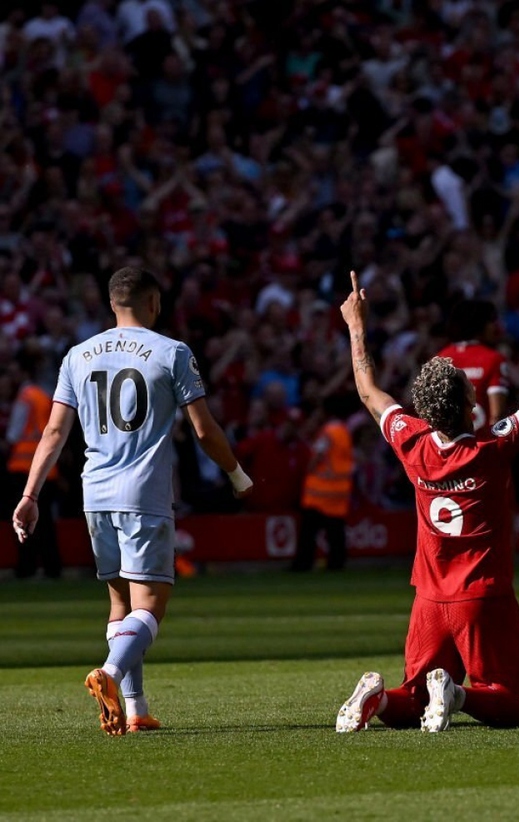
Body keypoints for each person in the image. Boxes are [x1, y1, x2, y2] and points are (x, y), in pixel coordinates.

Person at [335, 257, 519, 733]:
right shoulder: (492, 450)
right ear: (471, 404)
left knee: (411, 702)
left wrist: (355, 325)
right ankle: (454, 693)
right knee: (516, 704)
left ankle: (379, 698)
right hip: (482, 597)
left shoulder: (411, 441)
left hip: (428, 598)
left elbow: (368, 390)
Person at [11, 267, 253, 736]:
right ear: (155, 303)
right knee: (151, 606)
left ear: (111, 304)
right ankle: (110, 673)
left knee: (120, 603)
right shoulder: (172, 352)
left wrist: (29, 494)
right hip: (142, 491)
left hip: (94, 493)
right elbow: (203, 429)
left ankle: (137, 709)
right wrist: (237, 475)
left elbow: (56, 432)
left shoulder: (77, 355)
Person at [6, 349, 61, 579]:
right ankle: (52, 566)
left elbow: (13, 434)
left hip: (23, 467)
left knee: (24, 521)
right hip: (47, 468)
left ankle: (26, 566)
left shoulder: (25, 397)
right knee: (46, 522)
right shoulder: (45, 395)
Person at [290, 401, 355, 571]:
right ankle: (336, 564)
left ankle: (303, 564)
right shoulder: (344, 431)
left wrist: (309, 469)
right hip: (338, 491)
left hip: (319, 493)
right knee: (336, 533)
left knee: (308, 533)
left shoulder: (328, 433)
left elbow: (317, 456)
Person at [436, 299, 509, 433]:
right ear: (480, 324)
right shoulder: (494, 359)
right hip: (482, 445)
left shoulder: (439, 359)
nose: (496, 326)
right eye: (492, 321)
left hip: (448, 446)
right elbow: (497, 415)